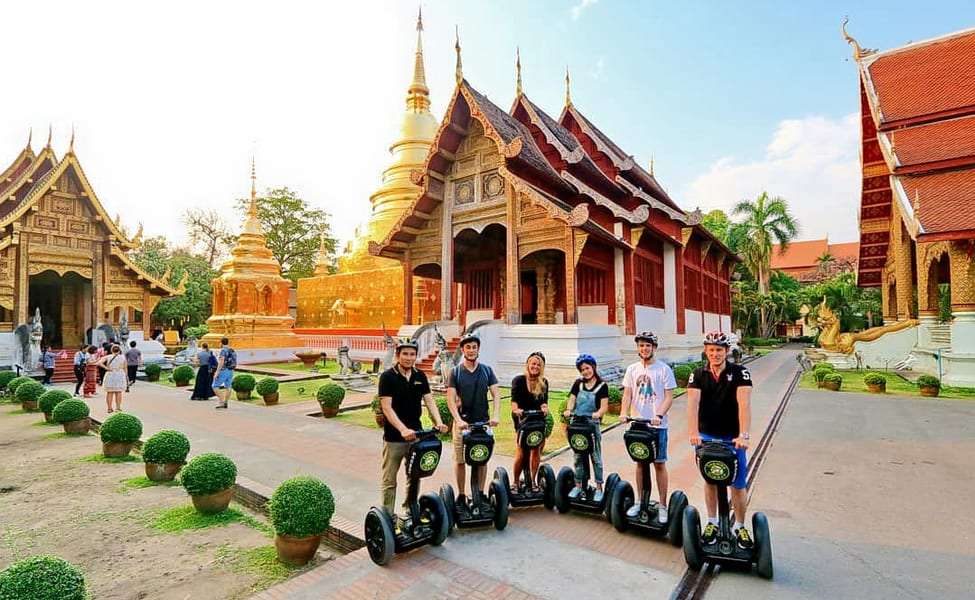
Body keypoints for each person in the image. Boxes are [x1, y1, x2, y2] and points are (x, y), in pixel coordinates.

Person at [686, 331, 754, 549]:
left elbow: (744, 405)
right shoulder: (697, 374)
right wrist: (693, 432)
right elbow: (692, 404)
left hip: (733, 437)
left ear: (727, 352)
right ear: (706, 351)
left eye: (719, 350)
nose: (715, 354)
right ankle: (713, 522)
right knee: (711, 480)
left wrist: (743, 435)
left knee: (737, 483)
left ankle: (740, 526)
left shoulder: (740, 373)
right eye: (711, 350)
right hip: (706, 436)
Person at [377, 340, 448, 516]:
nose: (409, 358)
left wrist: (438, 421)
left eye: (412, 354)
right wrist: (402, 429)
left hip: (416, 435)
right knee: (389, 479)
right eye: (405, 354)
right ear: (398, 355)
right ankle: (387, 516)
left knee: (415, 475)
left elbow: (429, 400)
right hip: (394, 437)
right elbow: (387, 407)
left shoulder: (420, 376)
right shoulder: (387, 377)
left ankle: (410, 509)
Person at [620, 331, 677, 520]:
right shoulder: (632, 369)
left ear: (654, 347)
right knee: (640, 464)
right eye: (641, 345)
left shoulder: (663, 369)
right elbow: (627, 394)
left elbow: (669, 397)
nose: (644, 349)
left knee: (659, 464)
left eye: (648, 345)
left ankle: (662, 504)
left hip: (657, 426)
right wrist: (623, 412)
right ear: (638, 348)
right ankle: (640, 501)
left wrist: (659, 414)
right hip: (637, 424)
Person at [446, 334, 500, 504]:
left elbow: (496, 394)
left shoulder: (487, 370)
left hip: (482, 423)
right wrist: (458, 419)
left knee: (481, 459)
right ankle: (462, 495)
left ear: (478, 349)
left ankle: (481, 493)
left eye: (474, 347)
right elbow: (450, 399)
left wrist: (496, 415)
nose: (471, 350)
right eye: (467, 347)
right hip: (463, 424)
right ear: (463, 350)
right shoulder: (455, 372)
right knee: (460, 460)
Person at [563, 354, 609, 502]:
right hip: (577, 422)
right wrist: (568, 410)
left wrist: (598, 413)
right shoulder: (578, 384)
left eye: (587, 368)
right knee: (577, 455)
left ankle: (599, 487)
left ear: (593, 367)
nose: (585, 372)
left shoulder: (602, 386)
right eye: (582, 369)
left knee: (595, 456)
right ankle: (578, 485)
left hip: (591, 424)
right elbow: (572, 400)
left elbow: (604, 406)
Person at [510, 352, 549, 492]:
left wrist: (545, 408)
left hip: (537, 420)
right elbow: (514, 402)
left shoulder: (544, 382)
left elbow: (544, 403)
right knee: (521, 451)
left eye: (538, 365)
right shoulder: (518, 380)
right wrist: (517, 410)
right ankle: (515, 481)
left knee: (535, 449)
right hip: (522, 419)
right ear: (528, 364)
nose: (535, 366)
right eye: (533, 364)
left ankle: (532, 480)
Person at [99, 344, 127, 413]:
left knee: (109, 392)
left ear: (111, 350)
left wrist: (106, 368)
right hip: (119, 374)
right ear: (119, 350)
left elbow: (99, 363)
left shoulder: (108, 357)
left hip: (110, 374)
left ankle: (109, 408)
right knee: (118, 392)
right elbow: (125, 368)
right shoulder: (123, 357)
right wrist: (126, 376)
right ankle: (118, 408)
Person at [212, 337, 237, 409]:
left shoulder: (223, 351)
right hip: (231, 370)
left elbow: (221, 361)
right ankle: (226, 402)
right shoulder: (232, 350)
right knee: (228, 386)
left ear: (221, 343)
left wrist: (217, 372)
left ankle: (221, 401)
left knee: (215, 386)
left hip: (224, 370)